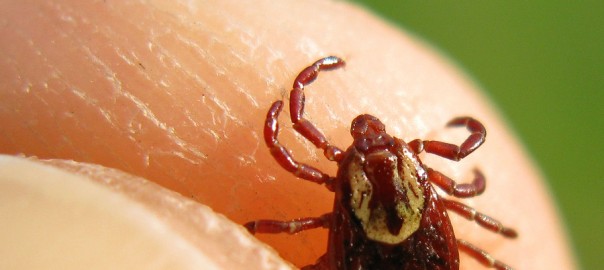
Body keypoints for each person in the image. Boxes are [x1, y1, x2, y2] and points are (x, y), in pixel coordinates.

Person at [0, 0, 576, 269]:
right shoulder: (438, 193)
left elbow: (285, 145)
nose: (374, 140)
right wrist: (464, 174)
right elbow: (470, 174)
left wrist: (288, 110)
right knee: (490, 250)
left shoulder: (328, 178)